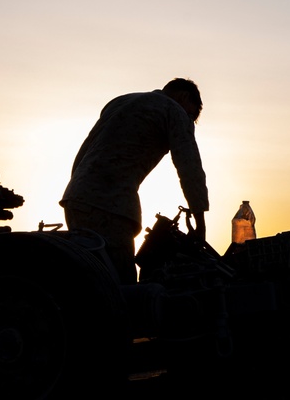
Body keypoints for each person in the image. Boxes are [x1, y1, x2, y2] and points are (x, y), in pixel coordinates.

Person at [60, 78, 209, 283]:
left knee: (92, 282)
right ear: (184, 97)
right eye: (191, 114)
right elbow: (190, 167)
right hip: (111, 205)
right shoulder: (174, 110)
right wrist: (200, 225)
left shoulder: (120, 102)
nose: (189, 120)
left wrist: (77, 191)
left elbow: (85, 152)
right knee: (123, 285)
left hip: (75, 199)